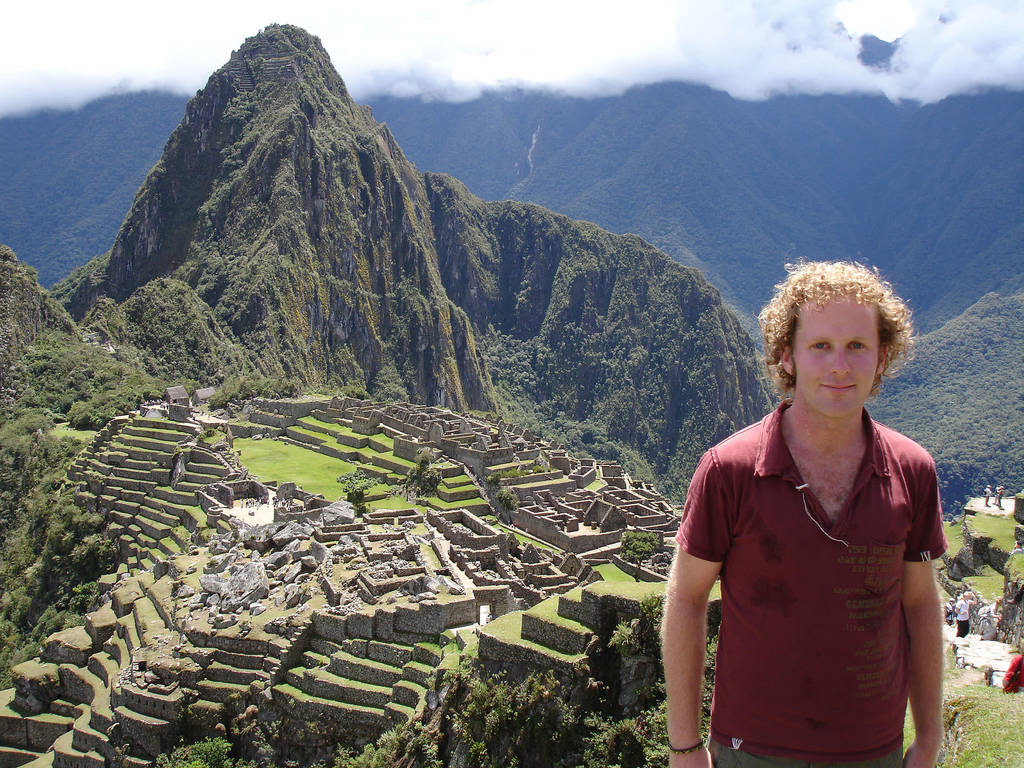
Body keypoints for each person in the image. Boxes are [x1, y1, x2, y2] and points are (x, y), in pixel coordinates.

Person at [662, 261, 946, 768]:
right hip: (751, 751)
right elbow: (686, 598)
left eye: (857, 346)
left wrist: (928, 739)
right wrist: (685, 745)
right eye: (820, 346)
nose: (839, 365)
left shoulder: (913, 471)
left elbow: (921, 604)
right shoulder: (728, 471)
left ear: (882, 357)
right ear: (786, 356)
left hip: (872, 751)